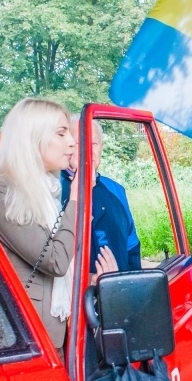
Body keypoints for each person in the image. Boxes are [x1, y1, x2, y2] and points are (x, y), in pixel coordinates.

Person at [0, 99, 115, 353]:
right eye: (61, 134)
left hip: (51, 337)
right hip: (21, 342)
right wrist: (77, 196)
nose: (73, 143)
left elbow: (49, 273)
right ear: (33, 138)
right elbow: (53, 260)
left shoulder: (44, 190)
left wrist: (93, 279)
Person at [61, 116, 141, 272]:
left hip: (118, 291)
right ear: (68, 147)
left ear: (101, 147)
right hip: (75, 293)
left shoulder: (115, 190)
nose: (88, 149)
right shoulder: (54, 189)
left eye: (94, 143)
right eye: (80, 143)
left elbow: (132, 248)